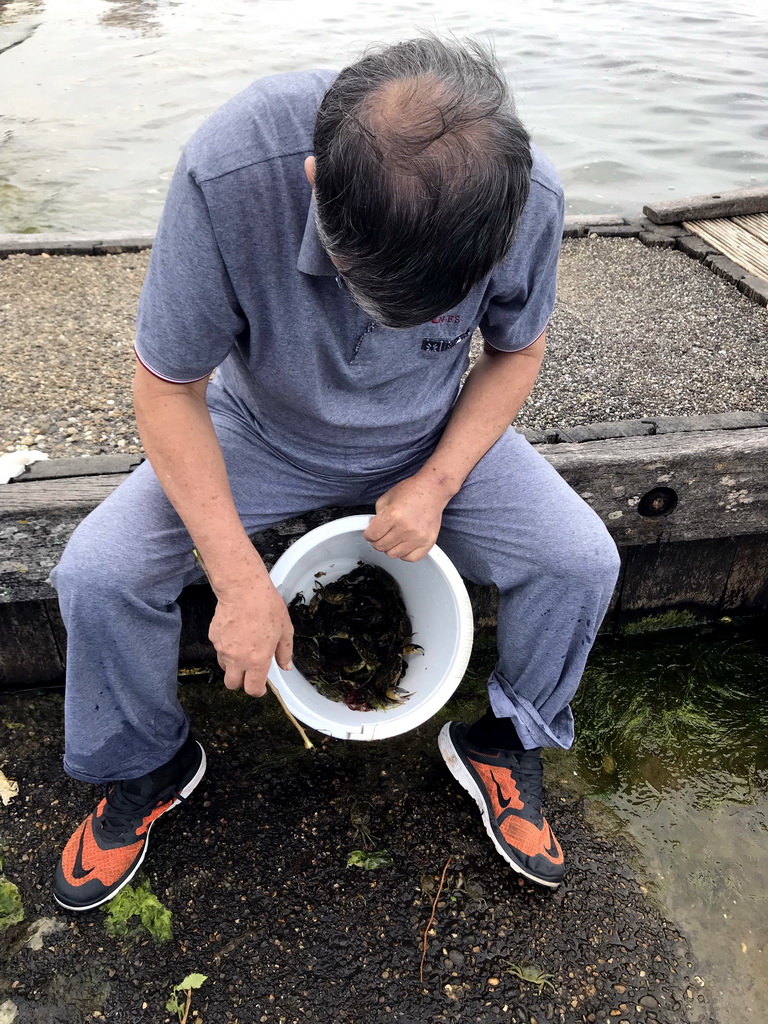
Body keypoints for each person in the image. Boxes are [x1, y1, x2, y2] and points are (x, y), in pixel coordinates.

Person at [50, 37, 620, 912]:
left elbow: (516, 350)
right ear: (316, 182)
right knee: (98, 574)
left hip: (433, 437)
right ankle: (148, 761)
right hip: (258, 429)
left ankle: (506, 742)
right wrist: (238, 580)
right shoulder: (230, 170)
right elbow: (167, 388)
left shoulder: (525, 193)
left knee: (582, 561)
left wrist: (435, 483)